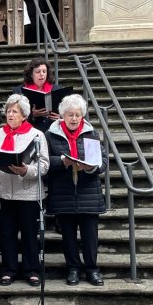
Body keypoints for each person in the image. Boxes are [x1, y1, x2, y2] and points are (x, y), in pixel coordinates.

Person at [46, 94, 107, 286]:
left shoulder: (91, 133)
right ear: (62, 115)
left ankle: (92, 269)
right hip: (63, 192)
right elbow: (44, 162)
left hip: (88, 192)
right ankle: (73, 269)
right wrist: (62, 162)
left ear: (82, 116)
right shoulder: (51, 135)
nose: (74, 119)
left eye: (78, 115)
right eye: (70, 115)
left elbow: (103, 161)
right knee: (68, 236)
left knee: (90, 236)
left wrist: (90, 168)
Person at [0, 94, 50, 287]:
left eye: (15, 111)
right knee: (7, 233)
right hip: (3, 192)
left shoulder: (37, 135)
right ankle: (9, 270)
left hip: (28, 193)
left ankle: (32, 270)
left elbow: (44, 165)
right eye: (8, 111)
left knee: (29, 234)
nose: (10, 114)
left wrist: (26, 170)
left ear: (24, 115)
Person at [12, 57, 60, 133]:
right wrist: (32, 115)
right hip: (29, 131)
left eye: (44, 71)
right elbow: (14, 115)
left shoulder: (57, 89)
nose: (42, 74)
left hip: (52, 130)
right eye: (38, 72)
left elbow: (66, 112)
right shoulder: (19, 91)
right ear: (31, 74)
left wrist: (60, 117)